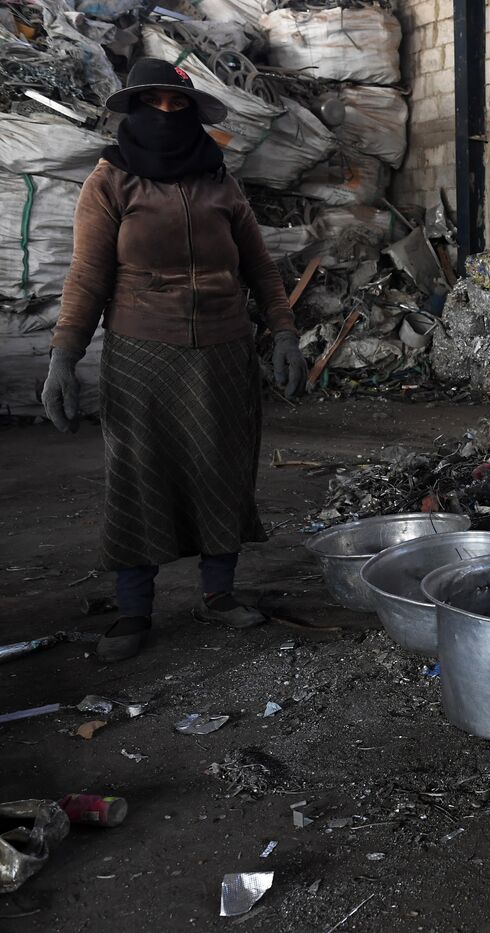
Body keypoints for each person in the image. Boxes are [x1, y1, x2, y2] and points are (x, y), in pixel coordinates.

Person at [40, 59, 309, 662]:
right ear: (133, 111)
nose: (166, 114)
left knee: (223, 468)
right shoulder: (110, 182)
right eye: (154, 103)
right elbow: (87, 275)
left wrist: (285, 332)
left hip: (223, 348)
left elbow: (260, 267)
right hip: (142, 351)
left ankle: (219, 593)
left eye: (178, 104)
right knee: (141, 475)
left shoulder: (220, 180)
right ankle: (134, 609)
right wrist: (64, 355)